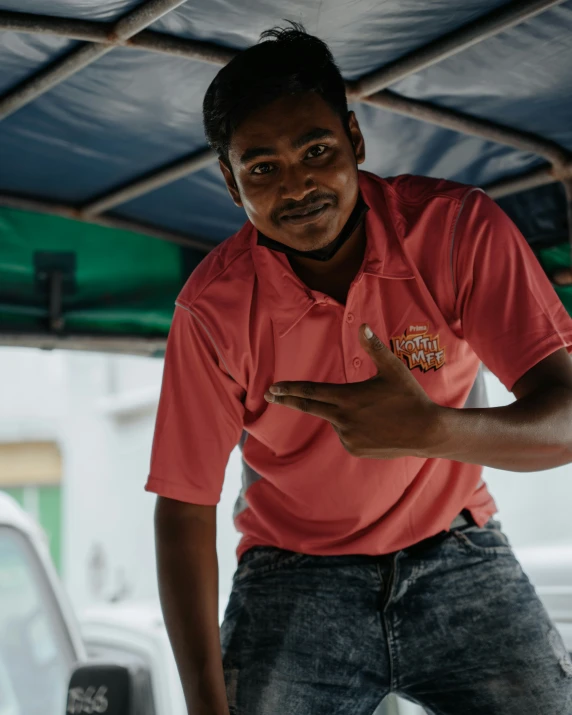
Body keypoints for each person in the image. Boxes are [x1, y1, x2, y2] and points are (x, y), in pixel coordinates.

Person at [146, 25, 572, 715]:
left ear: (355, 138)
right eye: (263, 168)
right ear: (230, 181)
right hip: (293, 575)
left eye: (317, 150)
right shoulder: (212, 308)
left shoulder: (458, 230)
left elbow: (567, 418)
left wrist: (432, 429)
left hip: (458, 551)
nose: (299, 184)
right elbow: (184, 507)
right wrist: (205, 705)